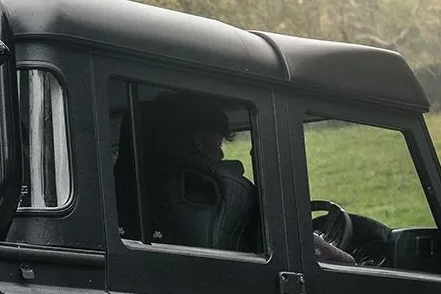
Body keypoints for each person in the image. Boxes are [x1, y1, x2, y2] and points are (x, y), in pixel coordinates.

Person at [134, 90, 355, 263]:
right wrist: (345, 258)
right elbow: (326, 258)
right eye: (218, 143)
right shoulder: (229, 197)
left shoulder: (136, 196)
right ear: (198, 143)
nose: (221, 154)